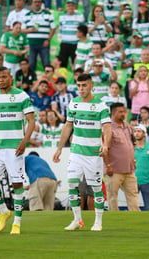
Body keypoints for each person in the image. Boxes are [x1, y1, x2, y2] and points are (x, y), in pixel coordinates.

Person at [53, 73, 111, 231]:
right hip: (76, 153)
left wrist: (105, 145)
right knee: (72, 183)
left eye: (84, 85)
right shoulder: (74, 103)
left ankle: (98, 221)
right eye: (78, 86)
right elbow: (68, 126)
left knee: (96, 188)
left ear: (91, 85)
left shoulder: (101, 105)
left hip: (93, 154)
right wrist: (59, 148)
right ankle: (77, 220)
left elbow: (107, 128)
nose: (81, 89)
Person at [0, 66, 35, 235]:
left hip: (15, 148)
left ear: (10, 77)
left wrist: (24, 141)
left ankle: (17, 223)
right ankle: (4, 211)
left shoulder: (21, 96)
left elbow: (31, 121)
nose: (1, 80)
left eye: (4, 77)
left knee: (17, 183)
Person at [103, 103, 140, 211]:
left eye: (123, 111)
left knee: (133, 194)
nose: (123, 114)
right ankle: (114, 219)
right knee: (112, 196)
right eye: (120, 112)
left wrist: (133, 160)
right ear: (113, 113)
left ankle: (136, 218)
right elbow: (105, 149)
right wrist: (108, 165)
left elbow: (132, 144)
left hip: (129, 169)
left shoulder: (127, 126)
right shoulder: (108, 128)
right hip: (114, 170)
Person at [22, 0, 56, 72]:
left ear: (41, 3)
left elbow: (53, 29)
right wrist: (30, 30)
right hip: (31, 43)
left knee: (46, 64)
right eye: (35, 2)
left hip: (44, 43)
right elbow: (23, 30)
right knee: (31, 64)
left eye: (39, 2)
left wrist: (48, 40)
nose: (37, 4)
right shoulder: (27, 15)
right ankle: (31, 82)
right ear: (32, 4)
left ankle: (48, 82)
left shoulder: (48, 14)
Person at [134, 123, 149, 210]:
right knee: (133, 207)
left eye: (139, 131)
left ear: (144, 133)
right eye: (135, 131)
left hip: (146, 181)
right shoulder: (131, 147)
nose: (136, 133)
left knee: (148, 207)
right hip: (132, 181)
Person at [58, 0, 85, 68]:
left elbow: (83, 30)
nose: (70, 7)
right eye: (68, 6)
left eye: (72, 6)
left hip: (75, 43)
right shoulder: (62, 16)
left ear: (75, 7)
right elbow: (60, 29)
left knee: (76, 64)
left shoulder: (80, 16)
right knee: (62, 64)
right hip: (65, 43)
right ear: (66, 7)